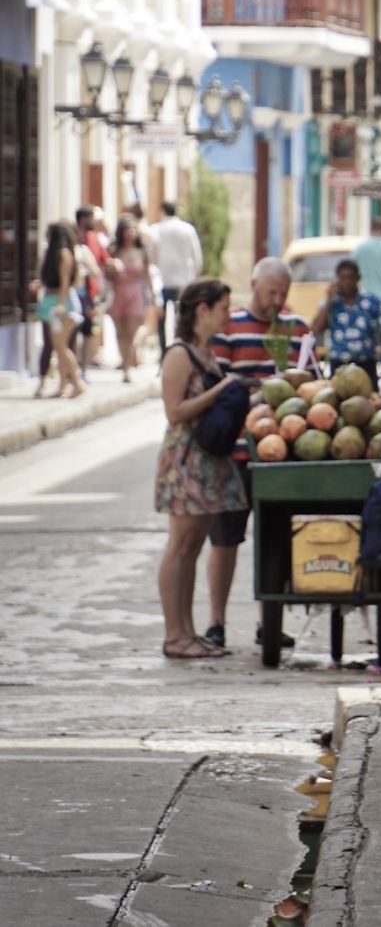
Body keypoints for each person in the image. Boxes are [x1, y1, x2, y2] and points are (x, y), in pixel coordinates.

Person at [205, 258, 309, 649]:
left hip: (281, 455)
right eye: (270, 292)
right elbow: (220, 389)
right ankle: (216, 620)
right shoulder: (229, 328)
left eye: (283, 293)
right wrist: (259, 393)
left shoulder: (297, 329)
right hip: (235, 454)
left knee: (276, 538)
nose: (277, 300)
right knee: (225, 539)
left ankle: (270, 619)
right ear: (253, 285)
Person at [155, 278, 251, 659]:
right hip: (185, 461)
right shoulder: (179, 354)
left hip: (207, 461)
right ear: (203, 310)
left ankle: (188, 632)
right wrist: (221, 389)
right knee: (179, 547)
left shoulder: (205, 351)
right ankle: (173, 633)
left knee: (193, 547)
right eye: (224, 307)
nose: (228, 314)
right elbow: (174, 411)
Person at [310, 259, 381, 392]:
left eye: (350, 278)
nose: (346, 282)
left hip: (366, 364)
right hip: (339, 365)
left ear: (358, 278)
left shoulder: (371, 301)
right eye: (342, 278)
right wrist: (329, 302)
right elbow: (316, 328)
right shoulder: (331, 302)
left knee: (369, 403)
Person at [36, 222, 85, 398]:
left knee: (61, 347)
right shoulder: (54, 254)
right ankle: (63, 385)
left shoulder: (63, 254)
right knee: (59, 347)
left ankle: (77, 383)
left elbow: (65, 281)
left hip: (61, 303)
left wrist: (62, 304)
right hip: (52, 301)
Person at [151, 201, 203, 357]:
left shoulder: (156, 229)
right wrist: (195, 276)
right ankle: (179, 349)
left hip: (162, 280)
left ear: (162, 211)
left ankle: (163, 352)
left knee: (162, 319)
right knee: (181, 318)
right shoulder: (187, 229)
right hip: (183, 280)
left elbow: (151, 256)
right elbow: (196, 255)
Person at [106, 214, 152, 382]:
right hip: (118, 292)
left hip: (135, 293)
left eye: (133, 229)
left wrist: (152, 296)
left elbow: (147, 275)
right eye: (128, 229)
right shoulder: (114, 251)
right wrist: (112, 268)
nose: (131, 232)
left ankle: (127, 367)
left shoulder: (142, 251)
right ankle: (124, 362)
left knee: (131, 333)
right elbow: (106, 273)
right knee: (120, 332)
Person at [74, 204, 109, 373]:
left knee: (89, 331)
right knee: (72, 332)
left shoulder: (95, 239)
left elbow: (104, 260)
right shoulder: (71, 238)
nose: (95, 222)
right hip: (73, 292)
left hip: (90, 293)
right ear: (84, 219)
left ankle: (84, 370)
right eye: (92, 219)